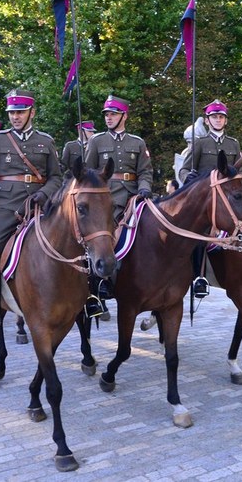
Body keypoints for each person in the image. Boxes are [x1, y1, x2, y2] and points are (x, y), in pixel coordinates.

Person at [0, 89, 63, 332]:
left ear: (32, 112)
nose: (15, 117)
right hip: (5, 206)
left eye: (20, 112)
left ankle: (84, 297)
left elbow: (56, 178)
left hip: (40, 206)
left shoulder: (46, 141)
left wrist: (43, 193)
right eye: (12, 113)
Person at [84, 95, 154, 318]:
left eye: (113, 114)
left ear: (124, 115)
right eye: (106, 114)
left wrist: (144, 188)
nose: (109, 118)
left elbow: (145, 171)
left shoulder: (137, 142)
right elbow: (88, 172)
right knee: (101, 237)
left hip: (133, 198)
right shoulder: (96, 141)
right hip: (106, 200)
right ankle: (97, 288)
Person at [178, 99, 242, 297]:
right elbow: (185, 169)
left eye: (221, 117)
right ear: (207, 120)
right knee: (200, 233)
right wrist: (186, 177)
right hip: (205, 197)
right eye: (214, 117)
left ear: (225, 121)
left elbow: (239, 172)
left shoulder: (233, 144)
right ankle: (199, 277)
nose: (218, 120)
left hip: (228, 197)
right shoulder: (200, 143)